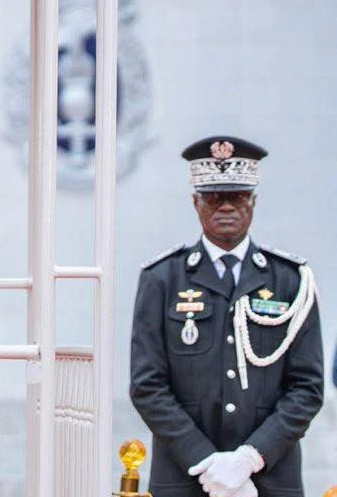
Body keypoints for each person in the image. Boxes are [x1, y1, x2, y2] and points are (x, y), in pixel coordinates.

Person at [129, 136, 324, 497]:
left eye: (236, 196)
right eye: (214, 197)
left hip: (269, 478)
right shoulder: (162, 279)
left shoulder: (290, 280)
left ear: (253, 201)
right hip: (186, 477)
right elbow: (147, 385)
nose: (226, 207)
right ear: (195, 203)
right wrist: (207, 462)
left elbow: (307, 387)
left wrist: (250, 458)